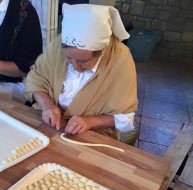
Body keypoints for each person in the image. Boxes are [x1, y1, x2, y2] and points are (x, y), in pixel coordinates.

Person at [25, 3, 138, 140]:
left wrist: (89, 122)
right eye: (68, 58)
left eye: (83, 62)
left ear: (101, 51)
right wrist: (47, 106)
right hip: (49, 122)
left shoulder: (120, 58)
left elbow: (126, 117)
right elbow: (36, 78)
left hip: (91, 134)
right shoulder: (59, 44)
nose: (75, 67)